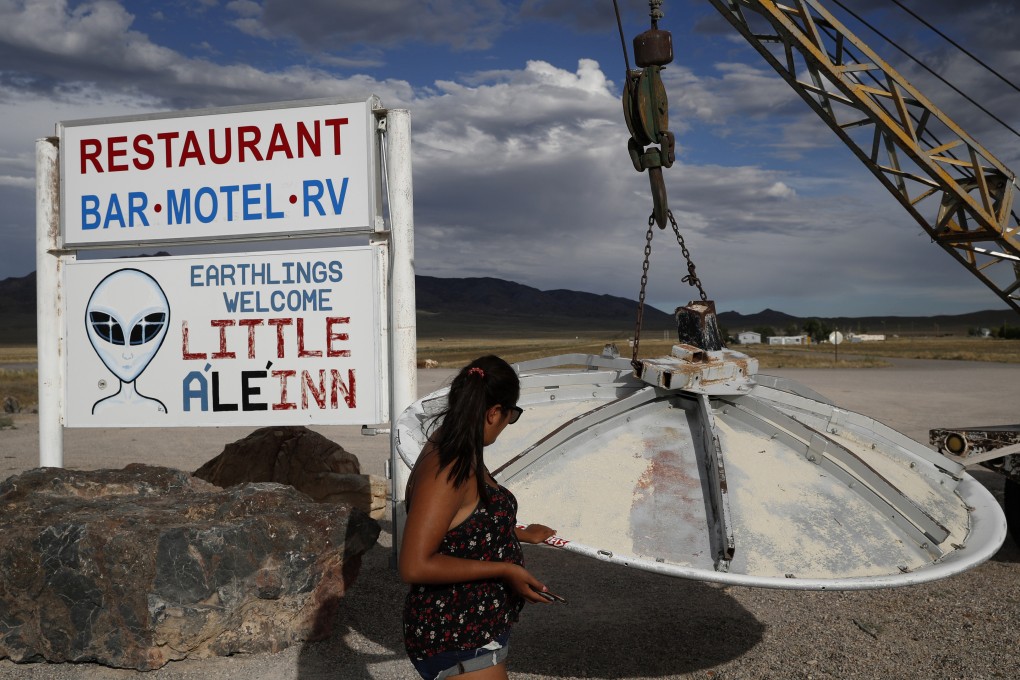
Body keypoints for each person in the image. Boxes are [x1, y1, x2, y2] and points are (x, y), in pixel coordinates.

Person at [400, 355, 557, 679]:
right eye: (510, 415)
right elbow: (414, 564)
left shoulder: (457, 441)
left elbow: (460, 522)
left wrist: (514, 533)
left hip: (472, 629)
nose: (507, 423)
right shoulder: (449, 468)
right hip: (457, 635)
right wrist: (505, 569)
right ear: (494, 412)